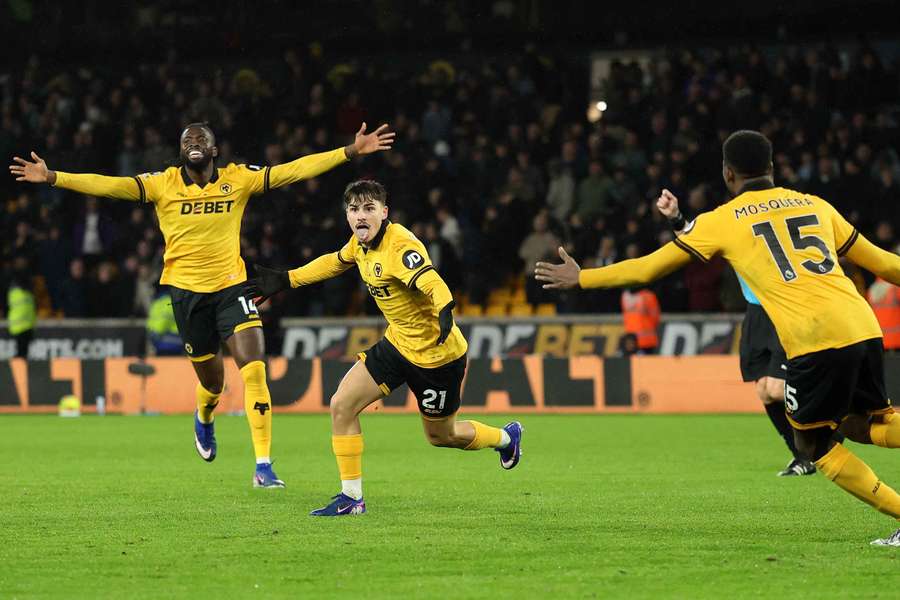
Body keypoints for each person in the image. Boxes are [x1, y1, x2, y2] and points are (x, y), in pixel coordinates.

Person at [535, 130, 900, 546]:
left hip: (816, 337)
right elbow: (884, 263)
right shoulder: (815, 205)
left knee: (813, 442)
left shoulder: (723, 220)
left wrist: (583, 277)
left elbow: (648, 269)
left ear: (728, 174)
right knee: (864, 423)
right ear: (772, 168)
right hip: (863, 324)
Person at [9, 121, 394, 488]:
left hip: (232, 288)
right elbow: (110, 186)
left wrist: (349, 151)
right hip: (187, 295)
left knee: (255, 371)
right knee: (213, 383)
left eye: (200, 139)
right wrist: (54, 176)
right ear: (181, 152)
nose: (193, 143)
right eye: (186, 141)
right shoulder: (163, 184)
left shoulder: (236, 179)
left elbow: (291, 171)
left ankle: (263, 466)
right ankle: (204, 414)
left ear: (213, 149)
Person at [248, 180, 523, 516]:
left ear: (384, 213)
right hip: (397, 344)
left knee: (442, 436)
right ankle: (352, 498)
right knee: (341, 405)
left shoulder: (399, 246)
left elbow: (429, 278)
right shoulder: (360, 245)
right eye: (353, 209)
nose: (360, 216)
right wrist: (288, 279)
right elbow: (334, 261)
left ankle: (506, 438)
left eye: (368, 208)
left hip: (437, 357)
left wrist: (445, 305)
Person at [657, 193, 815, 476]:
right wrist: (676, 218)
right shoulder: (731, 228)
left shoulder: (777, 225)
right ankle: (802, 457)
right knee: (764, 392)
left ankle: (827, 431)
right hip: (755, 314)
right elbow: (694, 238)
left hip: (782, 310)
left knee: (778, 388)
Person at [6, 257, 36, 358]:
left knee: (23, 354)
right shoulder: (15, 278)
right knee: (21, 354)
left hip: (26, 324)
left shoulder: (27, 281)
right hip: (19, 325)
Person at [619, 286, 660, 354]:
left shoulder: (625, 296)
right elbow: (655, 317)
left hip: (631, 341)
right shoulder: (648, 296)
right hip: (646, 340)